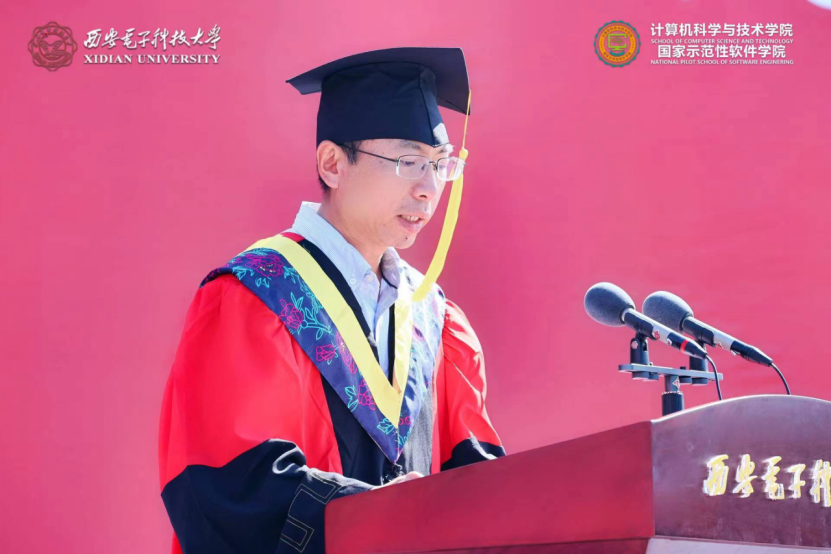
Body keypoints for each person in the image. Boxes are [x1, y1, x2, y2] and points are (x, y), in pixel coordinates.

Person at [158, 47, 504, 554]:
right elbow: (229, 486)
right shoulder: (254, 296)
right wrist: (377, 516)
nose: (430, 188)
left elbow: (477, 477)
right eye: (409, 161)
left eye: (440, 165)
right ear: (333, 164)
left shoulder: (436, 318)